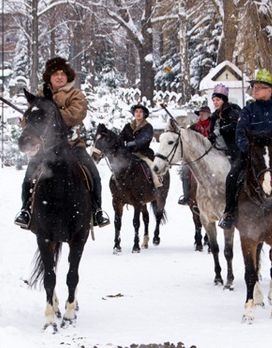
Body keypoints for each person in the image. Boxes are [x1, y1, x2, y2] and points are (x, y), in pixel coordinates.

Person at [14, 57, 110, 229]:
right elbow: (30, 121)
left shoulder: (75, 95)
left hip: (72, 146)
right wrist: (30, 119)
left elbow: (76, 114)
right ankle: (26, 210)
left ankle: (97, 211)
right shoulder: (40, 97)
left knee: (93, 174)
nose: (59, 77)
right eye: (55, 74)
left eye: (62, 74)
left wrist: (50, 114)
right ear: (49, 77)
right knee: (29, 175)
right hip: (46, 149)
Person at [218, 69, 272, 230]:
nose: (255, 90)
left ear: (270, 90)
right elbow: (240, 135)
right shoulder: (247, 111)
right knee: (232, 176)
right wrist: (250, 150)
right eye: (254, 87)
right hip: (251, 156)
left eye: (259, 87)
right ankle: (229, 212)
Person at [119, 103, 162, 190]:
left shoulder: (148, 127)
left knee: (150, 165)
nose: (138, 113)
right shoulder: (128, 126)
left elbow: (145, 138)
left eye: (140, 112)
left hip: (143, 153)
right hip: (128, 153)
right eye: (136, 112)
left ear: (144, 114)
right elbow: (121, 137)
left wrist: (134, 143)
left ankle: (156, 184)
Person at [178, 105, 212, 206]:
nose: (201, 115)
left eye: (203, 113)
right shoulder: (194, 127)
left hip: (211, 153)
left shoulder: (213, 125)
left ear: (208, 114)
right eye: (200, 114)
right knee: (185, 170)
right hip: (196, 156)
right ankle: (187, 196)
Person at [208, 83, 241, 161]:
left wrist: (219, 131)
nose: (215, 102)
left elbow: (234, 125)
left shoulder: (232, 111)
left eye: (218, 100)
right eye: (213, 100)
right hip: (217, 150)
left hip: (232, 150)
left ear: (224, 100)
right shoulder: (214, 115)